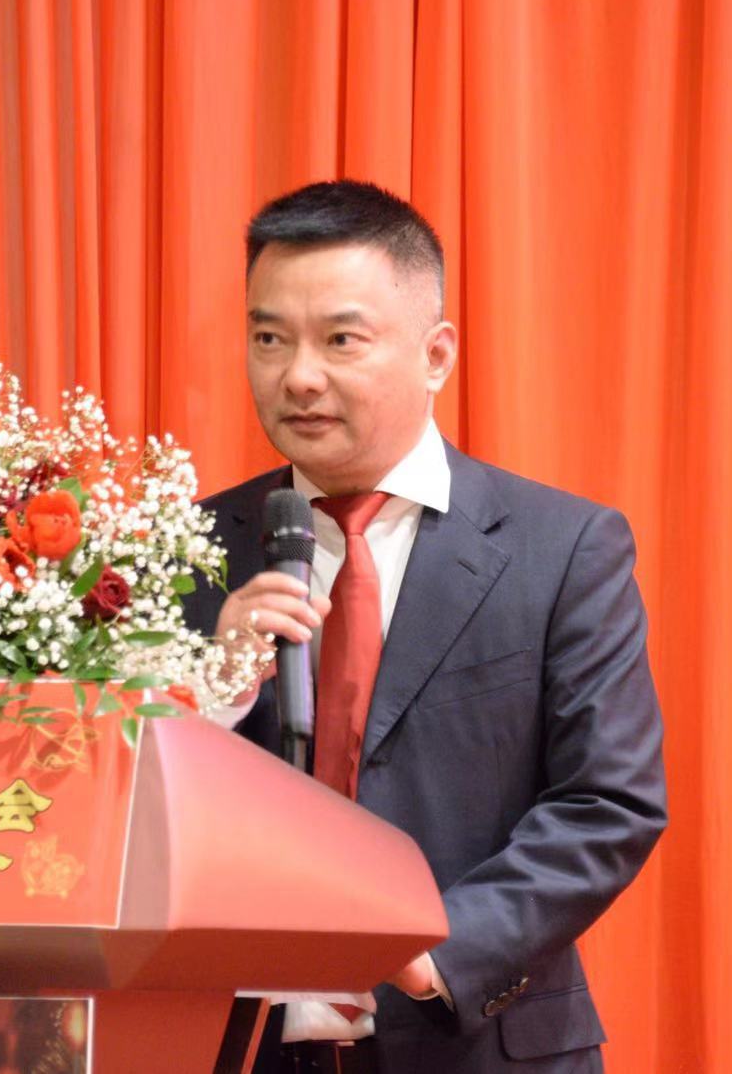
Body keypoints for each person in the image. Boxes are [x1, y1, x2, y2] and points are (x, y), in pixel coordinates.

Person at [183, 180, 667, 1073]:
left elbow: (609, 801)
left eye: (340, 339)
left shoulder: (562, 548)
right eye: (268, 338)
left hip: (478, 1042)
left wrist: (435, 948)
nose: (298, 375)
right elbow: (120, 803)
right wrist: (207, 694)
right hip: (236, 1048)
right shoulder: (184, 548)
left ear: (436, 354)